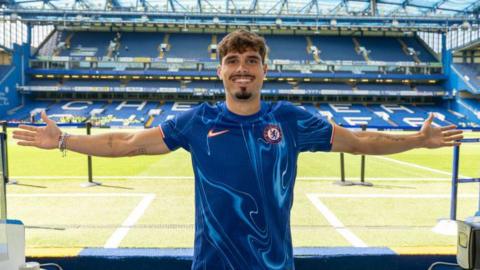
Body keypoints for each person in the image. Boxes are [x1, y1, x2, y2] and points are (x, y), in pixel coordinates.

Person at [13, 30, 463, 270]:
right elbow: (126, 142)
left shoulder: (290, 119)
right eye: (233, 61)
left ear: (265, 71)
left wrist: (419, 140)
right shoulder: (198, 121)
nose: (241, 69)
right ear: (220, 71)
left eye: (251, 61)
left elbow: (360, 139)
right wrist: (65, 140)